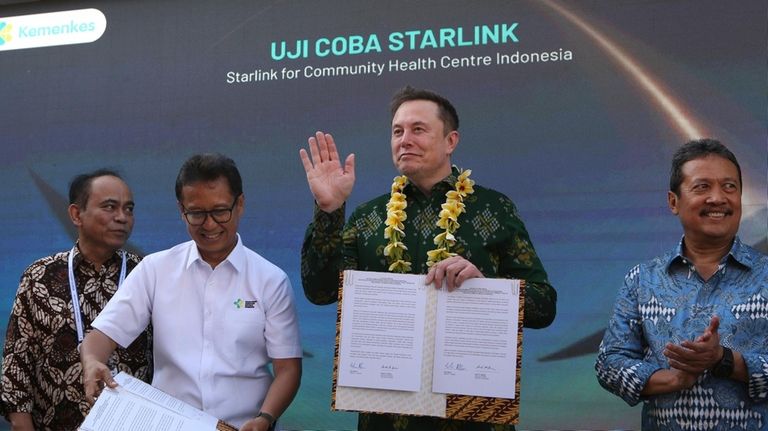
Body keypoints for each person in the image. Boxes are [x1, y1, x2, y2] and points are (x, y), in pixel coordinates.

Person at [299, 86, 557, 431]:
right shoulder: (367, 217)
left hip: (471, 414)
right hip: (386, 416)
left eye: (418, 129)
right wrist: (329, 211)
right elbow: (320, 292)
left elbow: (545, 306)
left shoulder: (494, 208)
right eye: (397, 131)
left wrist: (489, 290)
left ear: (451, 141)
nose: (404, 139)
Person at [80, 154, 302, 431]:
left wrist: (265, 419)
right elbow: (101, 335)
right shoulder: (156, 270)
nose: (209, 225)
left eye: (220, 211)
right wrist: (91, 362)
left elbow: (288, 369)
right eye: (196, 213)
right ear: (181, 209)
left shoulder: (270, 280)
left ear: (240, 204)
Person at [595, 139, 768, 430]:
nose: (718, 198)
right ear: (673, 202)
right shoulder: (642, 279)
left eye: (730, 187)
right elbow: (609, 363)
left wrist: (724, 360)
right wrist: (673, 379)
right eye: (702, 187)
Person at [0, 170, 152, 431]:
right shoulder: (40, 277)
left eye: (128, 209)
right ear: (75, 214)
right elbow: (17, 367)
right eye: (109, 207)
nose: (122, 218)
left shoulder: (148, 274)